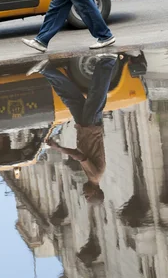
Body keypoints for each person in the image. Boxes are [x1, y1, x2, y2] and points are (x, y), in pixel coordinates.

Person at [33, 54, 118, 205]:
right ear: (96, 192)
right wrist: (58, 148)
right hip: (90, 126)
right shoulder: (95, 176)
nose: (84, 194)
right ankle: (109, 61)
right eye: (87, 197)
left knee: (70, 97)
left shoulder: (92, 176)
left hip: (84, 126)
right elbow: (80, 156)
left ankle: (46, 69)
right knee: (96, 95)